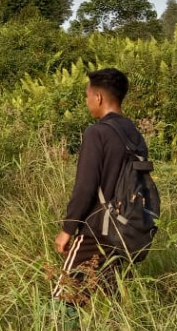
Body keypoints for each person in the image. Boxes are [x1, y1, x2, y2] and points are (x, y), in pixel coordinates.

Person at [53, 68, 148, 304]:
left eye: (87, 96)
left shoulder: (97, 133)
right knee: (110, 301)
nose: (87, 102)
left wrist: (67, 229)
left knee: (63, 301)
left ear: (99, 98)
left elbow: (85, 187)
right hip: (125, 229)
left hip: (95, 230)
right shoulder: (134, 134)